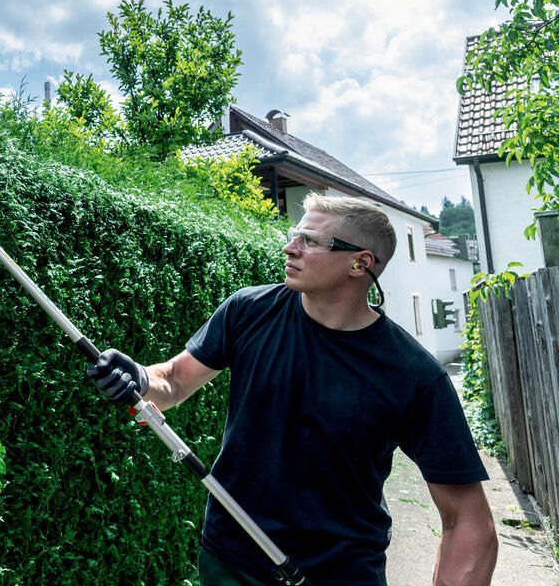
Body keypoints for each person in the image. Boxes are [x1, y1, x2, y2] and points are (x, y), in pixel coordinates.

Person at [87, 193, 497, 585]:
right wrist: (140, 377)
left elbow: (467, 520)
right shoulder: (248, 312)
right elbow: (174, 380)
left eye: (310, 241)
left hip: (341, 573)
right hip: (232, 561)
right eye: (293, 235)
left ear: (360, 264)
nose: (289, 248)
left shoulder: (413, 376)